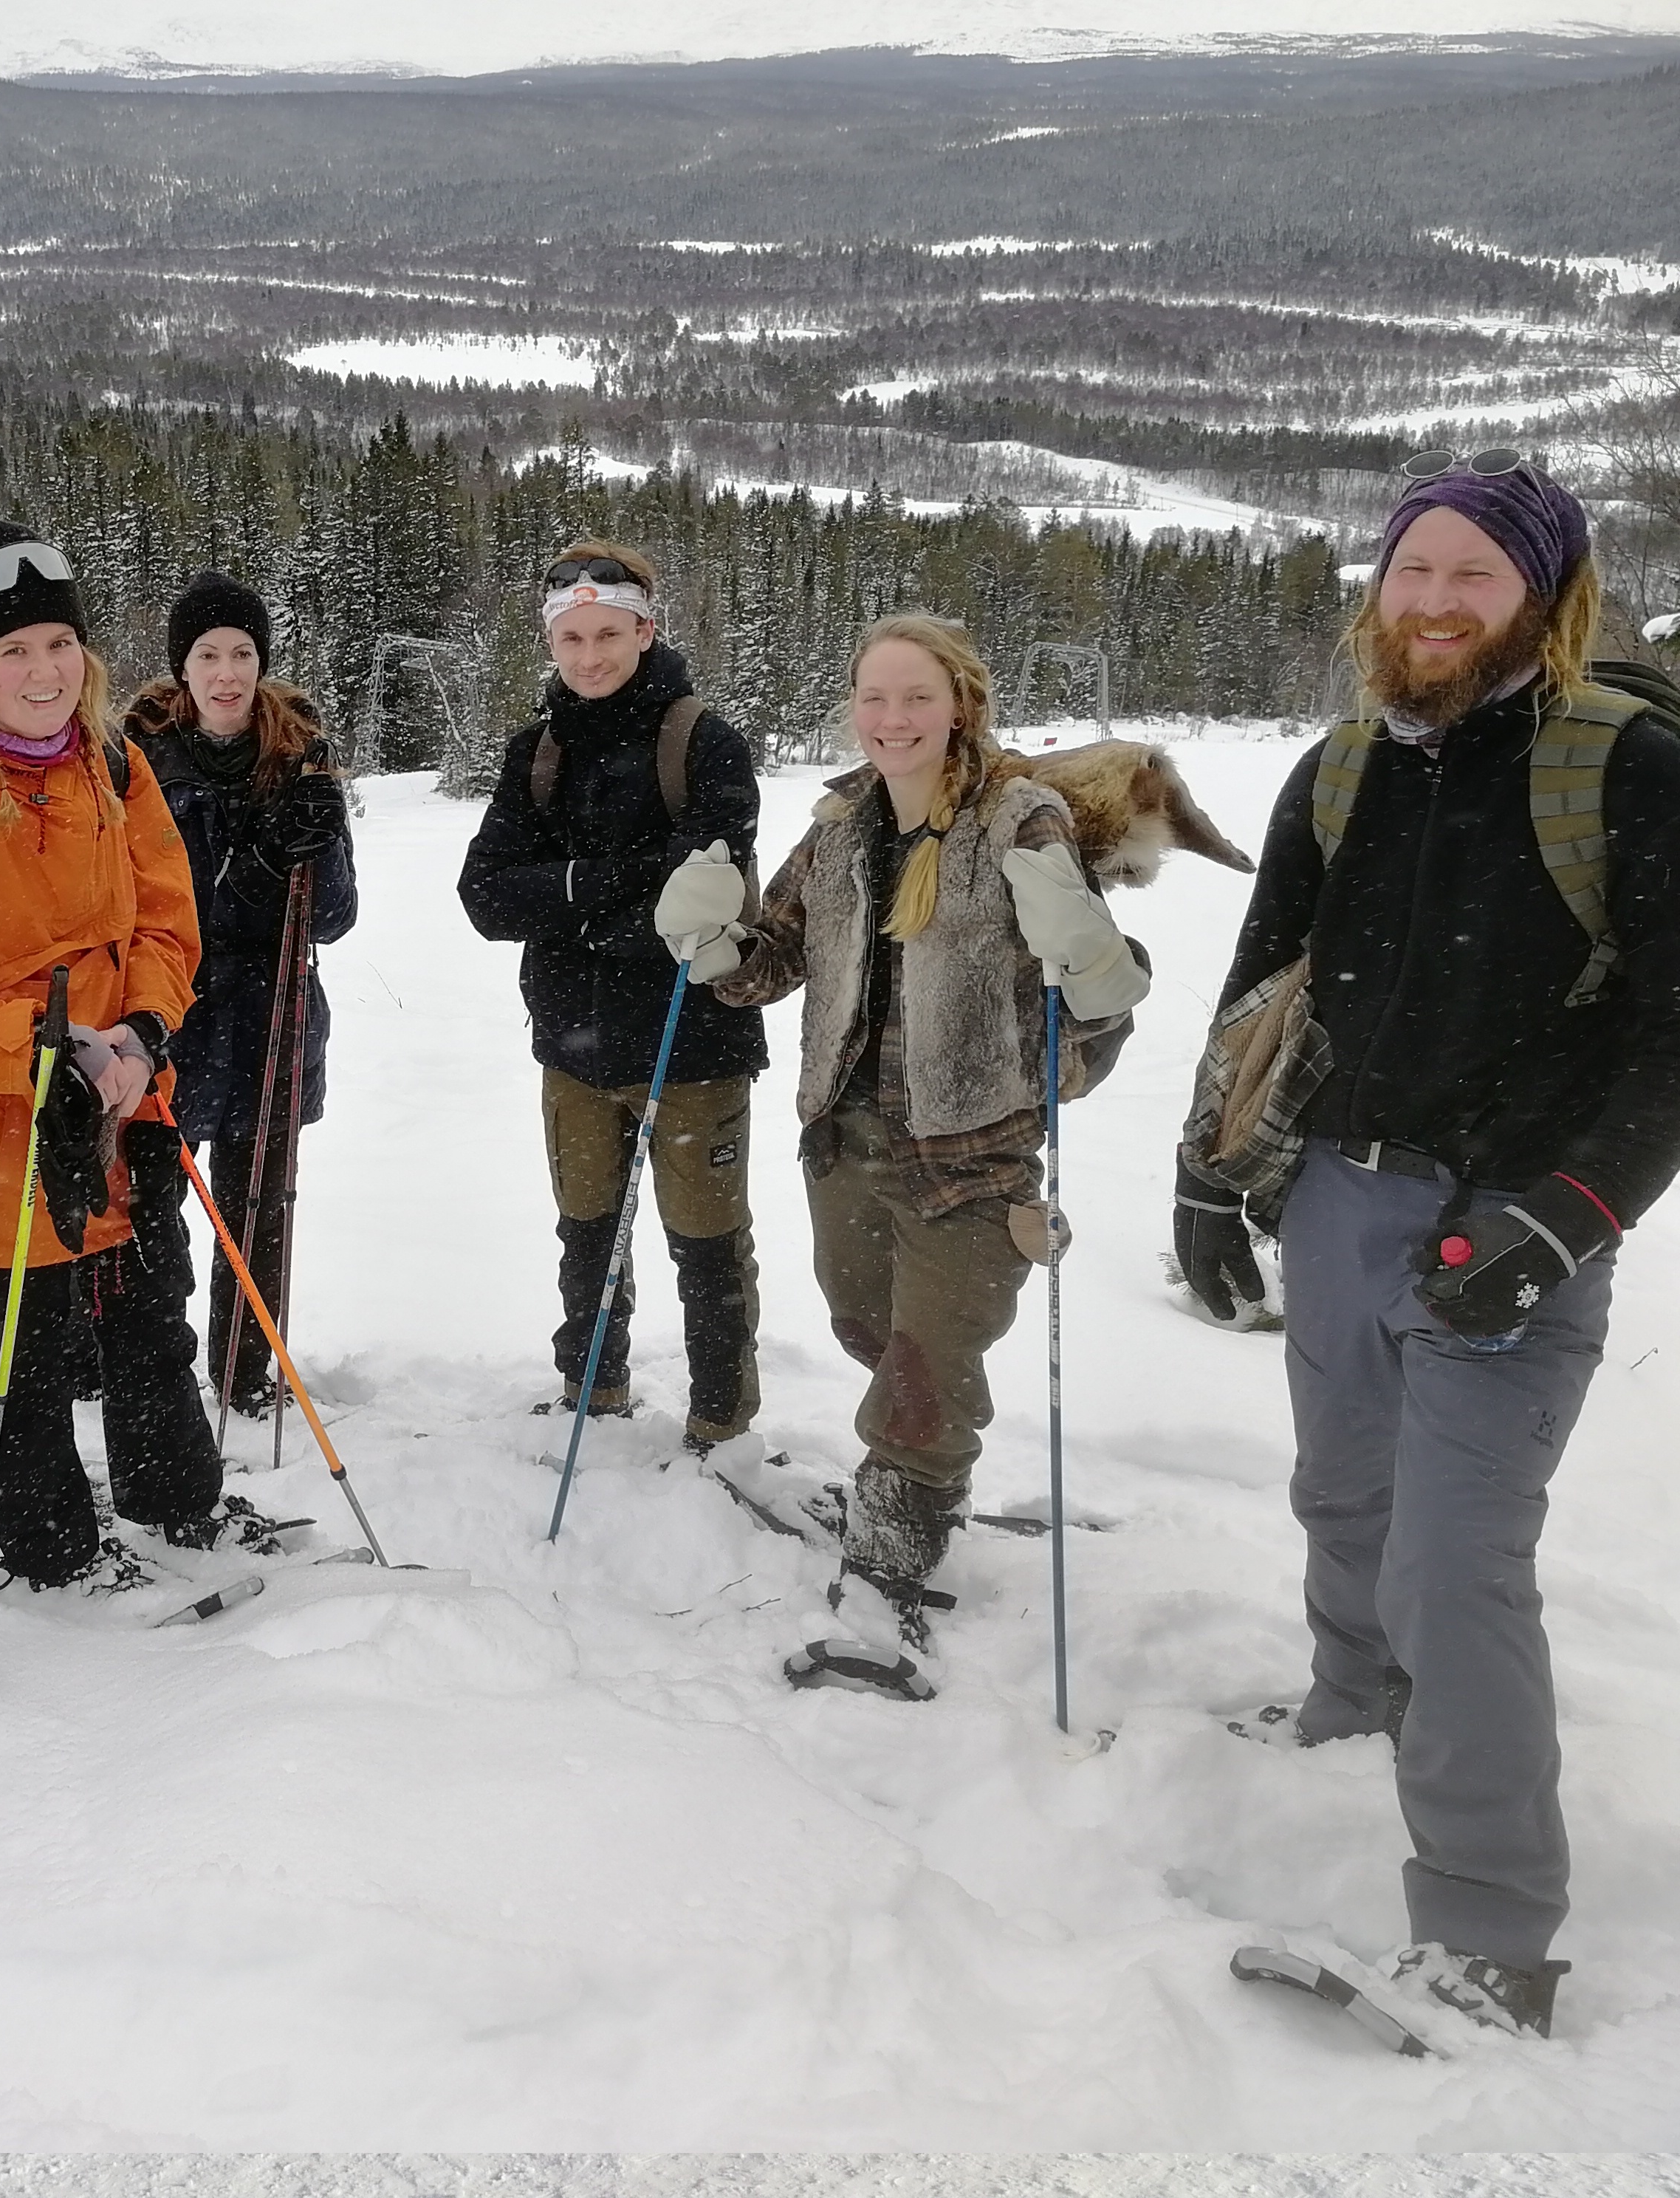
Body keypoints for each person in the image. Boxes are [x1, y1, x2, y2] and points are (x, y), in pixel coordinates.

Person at [1176, 456, 1680, 2038]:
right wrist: (1208, 1175)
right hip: (1339, 1190)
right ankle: (1354, 1704)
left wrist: (1570, 1213)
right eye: (1415, 571)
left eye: (1474, 574)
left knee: (1456, 1566)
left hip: (1513, 1221)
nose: (1438, 602)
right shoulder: (1336, 768)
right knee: (1344, 1492)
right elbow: (1267, 977)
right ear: (1377, 589)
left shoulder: (1626, 765)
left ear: (1541, 593)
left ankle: (1483, 1941)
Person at [713, 614, 1149, 1688]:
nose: (892, 720)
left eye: (915, 697)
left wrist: (1098, 978)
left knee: (929, 1369)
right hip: (846, 1138)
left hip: (974, 1156)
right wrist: (716, 943)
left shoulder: (1020, 820)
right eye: (874, 699)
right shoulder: (842, 822)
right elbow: (772, 965)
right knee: (870, 1327)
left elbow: (1086, 1027)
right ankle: (906, 1472)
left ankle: (889, 1562)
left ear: (960, 701)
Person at [0, 519, 259, 1594]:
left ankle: (174, 1505)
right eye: (13, 650)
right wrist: (48, 1053)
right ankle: (50, 1550)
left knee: (152, 1308)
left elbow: (169, 921)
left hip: (123, 1093)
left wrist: (145, 1032)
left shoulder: (115, 763)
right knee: (32, 1338)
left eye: (59, 645)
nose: (43, 671)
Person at [455, 540, 767, 1462]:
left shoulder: (701, 740)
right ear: (549, 642)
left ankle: (722, 1424)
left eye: (607, 634)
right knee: (586, 1234)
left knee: (706, 1247)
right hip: (572, 1048)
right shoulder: (535, 751)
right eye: (570, 637)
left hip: (692, 1044)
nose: (588, 656)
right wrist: (608, 891)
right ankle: (593, 1385)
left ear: (645, 630)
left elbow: (699, 895)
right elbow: (483, 897)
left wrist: (563, 900)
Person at [122, 570, 356, 1418]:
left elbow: (333, 918)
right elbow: (140, 907)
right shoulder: (135, 765)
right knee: (148, 1205)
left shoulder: (299, 757)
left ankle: (242, 1371)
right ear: (181, 670)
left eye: (243, 654)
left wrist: (316, 839)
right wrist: (251, 869)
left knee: (260, 1204)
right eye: (208, 655)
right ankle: (146, 1369)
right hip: (170, 1014)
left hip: (272, 1013)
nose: (227, 673)